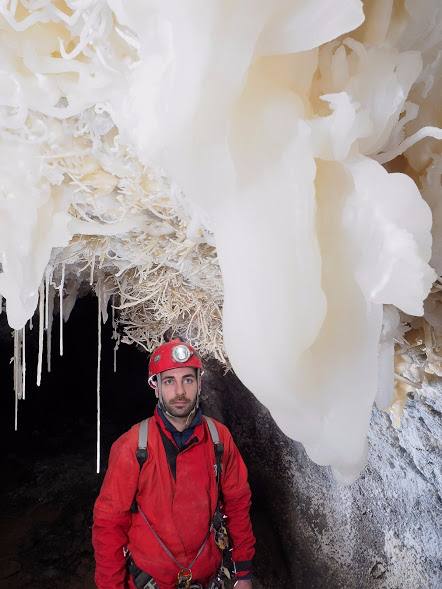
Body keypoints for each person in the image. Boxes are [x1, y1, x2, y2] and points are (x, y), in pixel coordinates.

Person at [92, 338, 255, 589]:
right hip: (150, 580)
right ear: (156, 387)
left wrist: (243, 573)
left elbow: (237, 504)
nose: (180, 391)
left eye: (187, 380)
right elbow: (109, 524)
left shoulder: (218, 439)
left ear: (200, 384)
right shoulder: (133, 447)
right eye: (169, 381)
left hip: (208, 578)